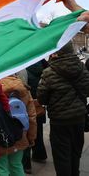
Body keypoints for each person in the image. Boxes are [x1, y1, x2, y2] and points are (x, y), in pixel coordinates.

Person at [37, 42, 89, 176]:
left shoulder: (49, 72)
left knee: (62, 157)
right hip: (79, 119)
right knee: (75, 153)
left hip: (59, 121)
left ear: (57, 52)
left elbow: (42, 98)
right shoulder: (82, 69)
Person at [0, 75, 37, 176]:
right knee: (16, 165)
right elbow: (32, 117)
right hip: (20, 135)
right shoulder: (23, 88)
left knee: (0, 168)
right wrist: (31, 137)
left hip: (0, 136)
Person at [23, 60, 48, 174]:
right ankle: (40, 154)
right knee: (38, 130)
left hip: (27, 104)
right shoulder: (42, 63)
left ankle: (26, 164)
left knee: (27, 132)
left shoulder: (23, 65)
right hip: (39, 103)